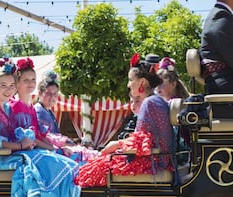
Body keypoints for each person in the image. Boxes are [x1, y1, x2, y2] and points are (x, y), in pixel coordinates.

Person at [0, 58, 81, 197]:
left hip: (12, 153)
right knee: (50, 162)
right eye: (3, 85)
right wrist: (20, 144)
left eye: (11, 86)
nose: (8, 90)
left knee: (58, 160)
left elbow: (14, 134)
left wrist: (26, 142)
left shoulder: (5, 106)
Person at [75, 53, 174, 187]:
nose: (128, 84)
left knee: (90, 171)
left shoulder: (150, 103)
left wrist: (116, 145)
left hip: (154, 162)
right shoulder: (156, 100)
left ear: (142, 82)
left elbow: (141, 142)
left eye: (130, 79)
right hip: (157, 158)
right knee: (94, 164)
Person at [34, 70, 99, 163]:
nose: (52, 97)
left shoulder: (48, 111)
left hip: (53, 147)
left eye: (55, 94)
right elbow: (46, 137)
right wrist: (65, 144)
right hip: (46, 150)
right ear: (40, 93)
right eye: (48, 93)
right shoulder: (39, 111)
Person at [8, 57, 55, 151]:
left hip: (35, 148)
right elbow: (29, 138)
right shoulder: (15, 106)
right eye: (26, 80)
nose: (31, 83)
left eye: (33, 79)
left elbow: (38, 135)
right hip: (22, 151)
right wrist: (52, 148)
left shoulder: (31, 107)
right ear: (17, 83)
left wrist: (53, 147)